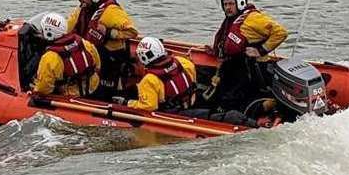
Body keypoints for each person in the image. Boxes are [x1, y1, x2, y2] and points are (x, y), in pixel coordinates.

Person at [113, 37, 264, 128]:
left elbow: (149, 106)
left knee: (217, 117)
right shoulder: (181, 62)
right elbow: (192, 77)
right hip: (192, 100)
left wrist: (127, 103)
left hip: (174, 113)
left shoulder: (149, 81)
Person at [208, 0, 288, 114]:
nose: (228, 7)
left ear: (239, 2)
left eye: (231, 3)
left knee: (232, 100)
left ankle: (259, 109)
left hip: (250, 68)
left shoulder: (253, 18)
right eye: (225, 4)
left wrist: (261, 50)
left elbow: (281, 32)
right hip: (235, 65)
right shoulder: (233, 19)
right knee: (222, 94)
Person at [67, 0, 138, 99]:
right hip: (91, 52)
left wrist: (109, 32)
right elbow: (68, 27)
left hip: (110, 56)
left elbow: (132, 32)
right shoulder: (82, 9)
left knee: (107, 89)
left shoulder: (111, 11)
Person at [31, 12, 101, 97]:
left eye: (42, 30)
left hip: (72, 93)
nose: (40, 33)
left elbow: (43, 88)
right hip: (93, 85)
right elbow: (97, 63)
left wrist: (34, 88)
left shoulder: (50, 57)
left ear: (49, 33)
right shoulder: (84, 43)